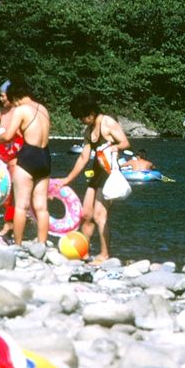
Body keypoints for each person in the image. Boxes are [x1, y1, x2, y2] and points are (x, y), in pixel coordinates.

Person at [60, 94, 130, 262]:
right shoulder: (88, 131)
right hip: (97, 172)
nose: (81, 121)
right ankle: (84, 252)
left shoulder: (107, 123)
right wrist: (68, 179)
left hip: (109, 172)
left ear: (91, 113)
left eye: (82, 117)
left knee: (100, 215)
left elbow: (125, 143)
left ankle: (105, 254)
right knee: (87, 215)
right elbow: (83, 157)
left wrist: (113, 147)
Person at [0, 79, 51, 246]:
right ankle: (42, 243)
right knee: (41, 207)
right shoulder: (43, 109)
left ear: (15, 97)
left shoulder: (21, 110)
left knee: (21, 206)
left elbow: (8, 136)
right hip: (45, 157)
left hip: (28, 156)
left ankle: (17, 244)